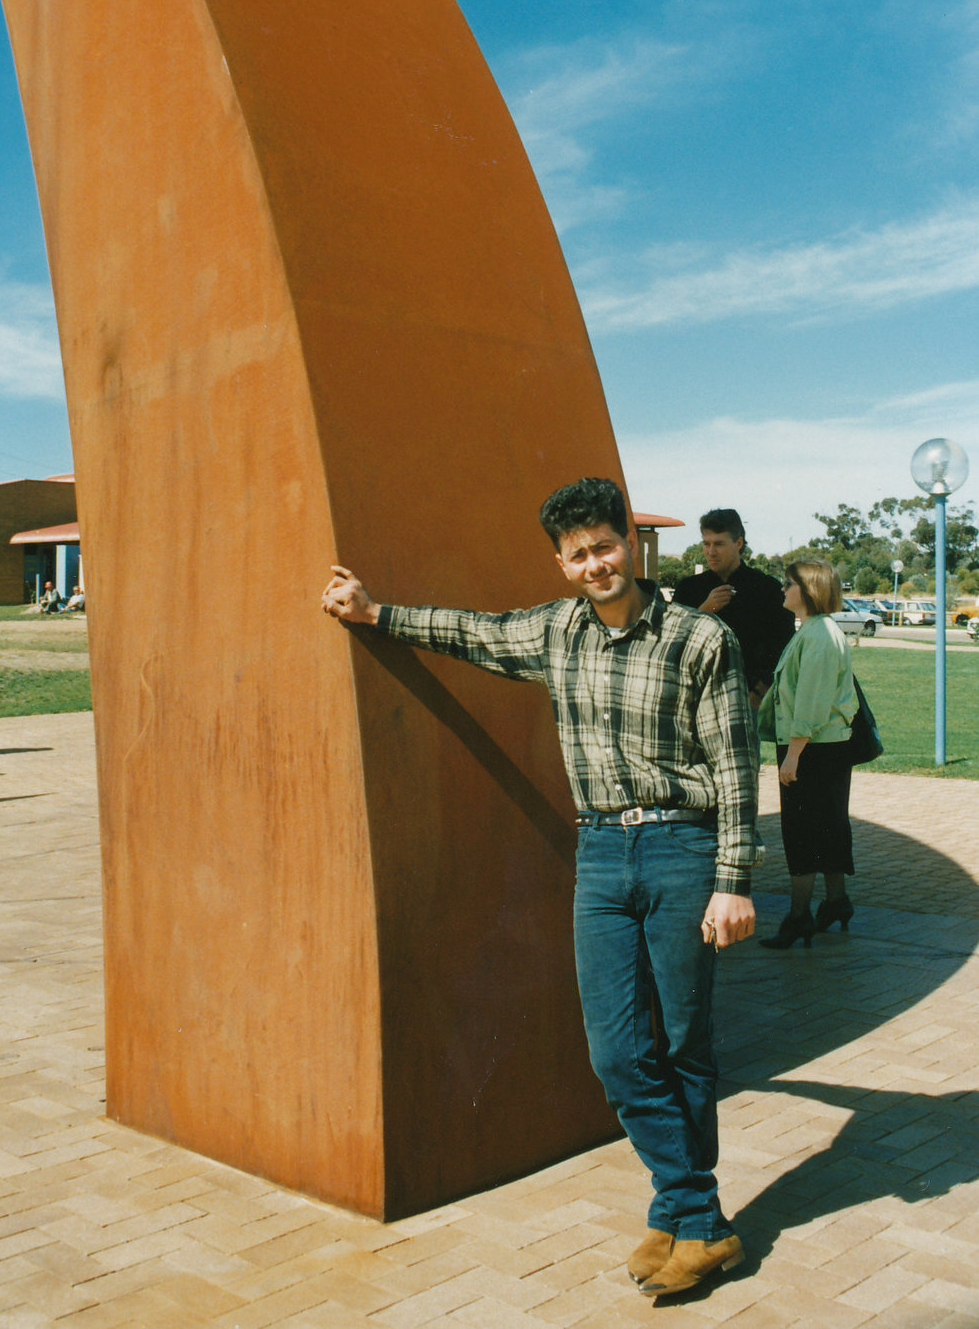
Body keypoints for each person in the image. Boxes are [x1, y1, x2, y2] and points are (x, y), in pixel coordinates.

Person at [322, 477, 761, 1300]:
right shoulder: (555, 632)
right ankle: (697, 1212)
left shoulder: (701, 639)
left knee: (682, 1043)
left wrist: (732, 882)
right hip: (598, 855)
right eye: (577, 554)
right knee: (616, 1053)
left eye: (604, 546)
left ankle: (682, 1217)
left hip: (681, 850)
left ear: (628, 543)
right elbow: (471, 631)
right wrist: (375, 614)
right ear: (560, 563)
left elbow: (736, 767)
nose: (594, 564)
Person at [758, 559, 857, 949]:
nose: (784, 590)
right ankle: (835, 902)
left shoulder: (817, 636)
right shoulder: (820, 631)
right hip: (826, 746)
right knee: (829, 826)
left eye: (789, 584)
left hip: (811, 747)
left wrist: (793, 755)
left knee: (801, 832)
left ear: (809, 590)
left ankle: (798, 917)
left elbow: (811, 703)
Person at [672, 508, 795, 712]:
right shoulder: (688, 589)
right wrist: (704, 611)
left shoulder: (767, 589)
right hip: (695, 699)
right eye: (706, 543)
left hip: (746, 700)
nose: (711, 552)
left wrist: (760, 691)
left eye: (718, 544)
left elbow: (783, 644)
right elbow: (671, 640)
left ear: (738, 543)